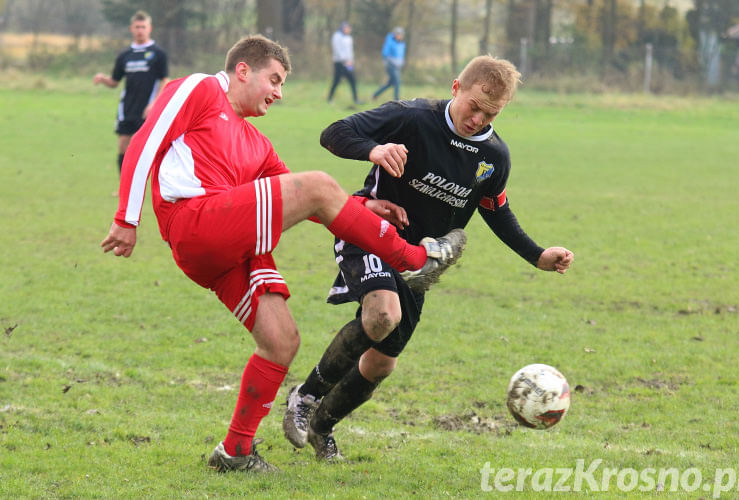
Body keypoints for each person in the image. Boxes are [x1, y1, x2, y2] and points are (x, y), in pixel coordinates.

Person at [100, 34, 466, 473]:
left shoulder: (256, 143)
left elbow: (309, 201)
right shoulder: (201, 88)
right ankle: (416, 261)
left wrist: (363, 207)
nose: (278, 92)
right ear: (242, 70)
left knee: (281, 342)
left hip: (225, 248)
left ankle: (234, 452)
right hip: (195, 223)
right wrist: (127, 217)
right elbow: (144, 140)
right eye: (273, 79)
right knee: (318, 184)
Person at [283, 55, 575, 461]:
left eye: (491, 113)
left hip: (420, 261)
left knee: (382, 364)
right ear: (456, 87)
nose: (478, 119)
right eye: (473, 106)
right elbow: (334, 133)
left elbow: (495, 209)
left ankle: (322, 426)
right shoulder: (413, 118)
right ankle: (306, 395)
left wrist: (537, 255)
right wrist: (374, 149)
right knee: (382, 315)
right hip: (369, 231)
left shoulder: (494, 157)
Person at [93, 10, 169, 175]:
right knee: (123, 145)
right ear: (131, 29)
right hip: (127, 107)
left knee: (149, 149)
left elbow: (165, 80)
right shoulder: (124, 56)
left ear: (150, 28)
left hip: (148, 108)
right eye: (137, 27)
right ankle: (124, 188)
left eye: (143, 27)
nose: (140, 30)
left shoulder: (158, 54)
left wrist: (154, 104)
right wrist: (102, 79)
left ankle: (151, 185)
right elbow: (115, 81)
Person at [327, 21, 362, 105]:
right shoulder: (337, 36)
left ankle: (356, 99)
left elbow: (350, 51)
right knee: (337, 81)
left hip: (348, 64)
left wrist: (351, 61)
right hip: (339, 63)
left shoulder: (349, 38)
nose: (348, 30)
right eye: (347, 28)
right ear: (343, 28)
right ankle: (330, 99)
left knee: (353, 80)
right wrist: (344, 60)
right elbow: (337, 49)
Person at [372, 26, 406, 101]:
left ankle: (375, 94)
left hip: (398, 66)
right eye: (399, 34)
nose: (401, 36)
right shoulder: (390, 42)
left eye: (402, 34)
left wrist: (402, 62)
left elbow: (401, 55)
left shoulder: (402, 44)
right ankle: (397, 100)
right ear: (395, 34)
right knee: (397, 82)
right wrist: (392, 61)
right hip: (390, 65)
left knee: (390, 83)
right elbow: (385, 54)